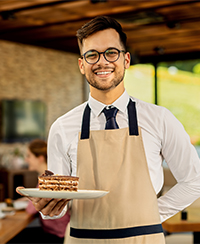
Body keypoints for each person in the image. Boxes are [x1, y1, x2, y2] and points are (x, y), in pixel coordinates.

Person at [17, 16, 200, 244]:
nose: (102, 62)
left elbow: (194, 180)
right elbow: (58, 201)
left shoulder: (160, 119)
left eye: (111, 53)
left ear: (126, 59)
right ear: (82, 65)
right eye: (92, 55)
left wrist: (151, 216)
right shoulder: (62, 127)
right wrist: (48, 209)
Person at [12, 139, 70, 244]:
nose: (26, 160)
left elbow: (31, 209)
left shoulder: (47, 181)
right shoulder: (52, 175)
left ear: (40, 158)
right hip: (58, 233)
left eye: (29, 156)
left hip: (58, 236)